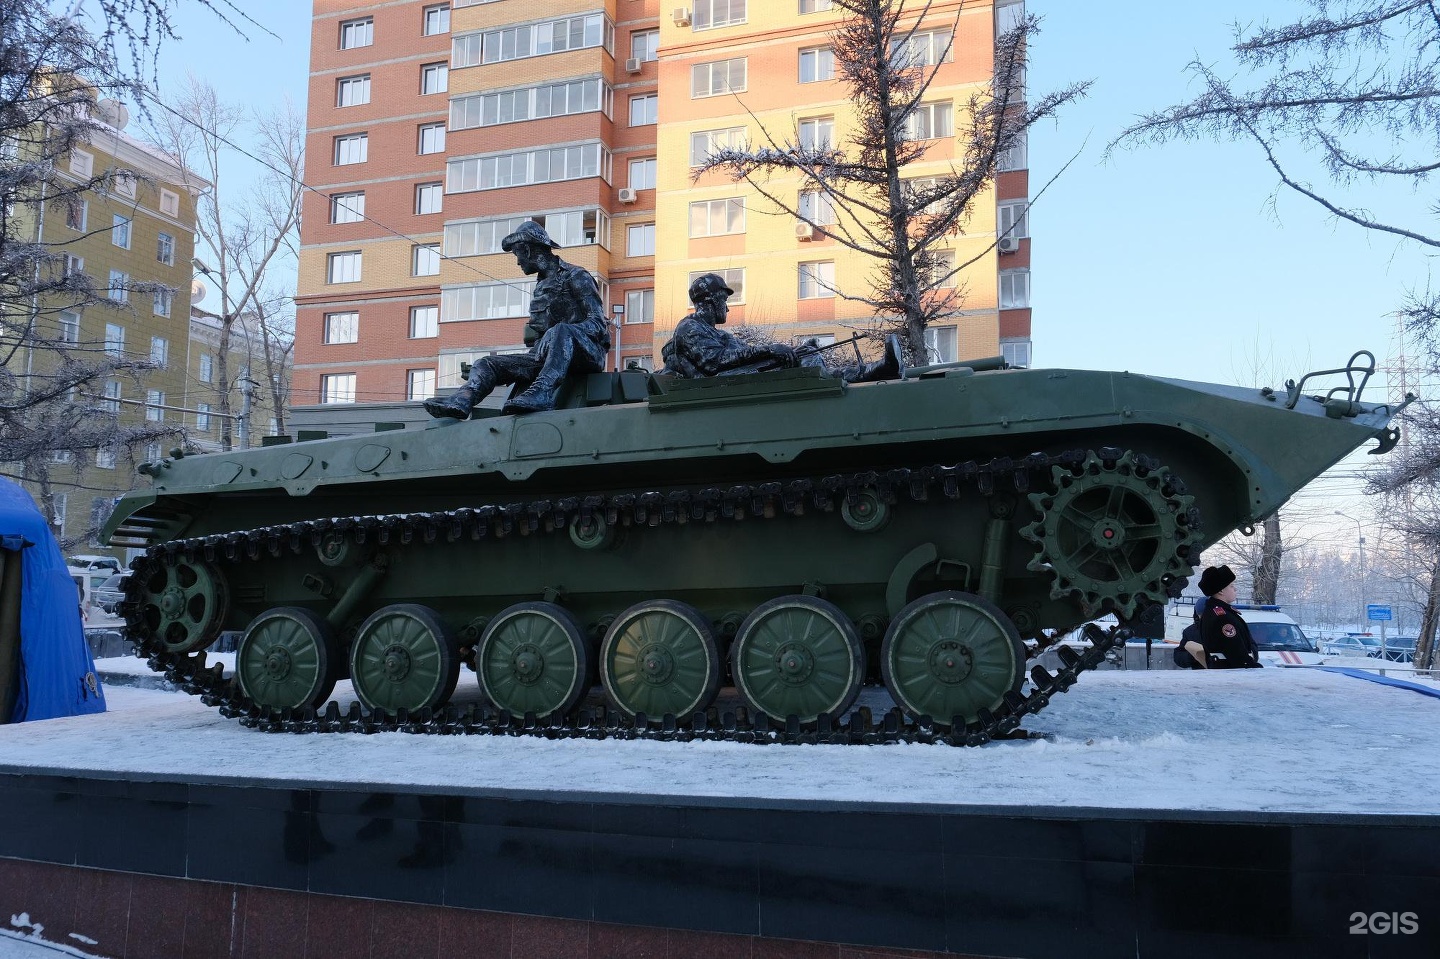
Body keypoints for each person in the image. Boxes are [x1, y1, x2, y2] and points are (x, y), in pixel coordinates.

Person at [423, 221, 611, 418]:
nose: (518, 262)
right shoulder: (541, 286)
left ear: (527, 250)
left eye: (517, 254)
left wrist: (559, 332)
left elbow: (598, 324)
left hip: (586, 353)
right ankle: (462, 400)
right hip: (546, 358)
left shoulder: (576, 275)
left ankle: (542, 393)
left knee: (561, 330)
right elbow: (540, 342)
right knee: (486, 363)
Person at [661, 273, 900, 382]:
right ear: (712, 301)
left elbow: (742, 352)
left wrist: (787, 351)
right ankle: (873, 372)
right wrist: (770, 350)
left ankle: (871, 371)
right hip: (723, 384)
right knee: (807, 362)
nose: (727, 308)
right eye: (724, 300)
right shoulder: (689, 328)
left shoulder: (716, 333)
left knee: (805, 354)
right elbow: (715, 362)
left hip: (736, 377)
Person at [1197, 565, 1262, 668]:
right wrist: (1253, 667)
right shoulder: (1222, 617)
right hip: (1232, 672)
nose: (1235, 589)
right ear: (1221, 591)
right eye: (1231, 586)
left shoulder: (1216, 612)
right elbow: (1236, 652)